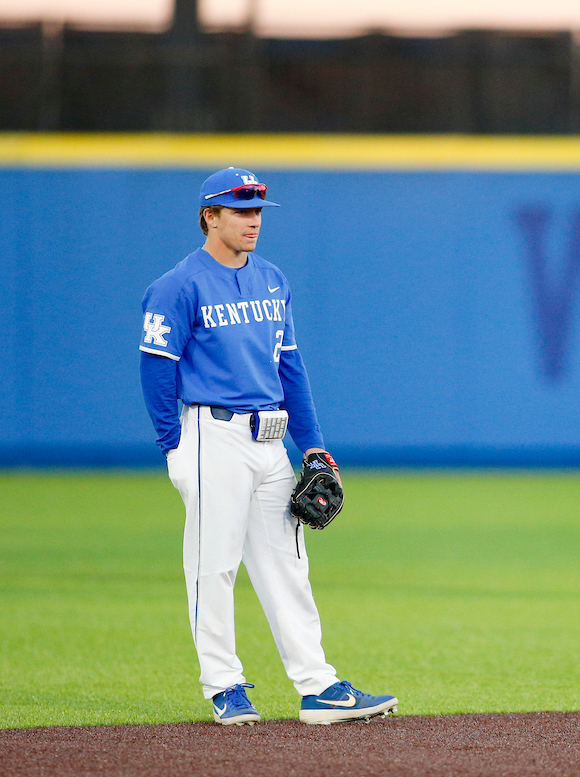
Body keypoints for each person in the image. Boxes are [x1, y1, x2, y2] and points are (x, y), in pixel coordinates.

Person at [139, 167, 398, 726]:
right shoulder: (177, 286)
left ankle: (318, 688)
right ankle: (225, 686)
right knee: (214, 566)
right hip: (212, 435)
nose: (252, 221)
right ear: (210, 216)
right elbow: (156, 368)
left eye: (257, 210)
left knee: (287, 566)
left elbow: (290, 368)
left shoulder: (274, 279)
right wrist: (173, 446)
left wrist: (315, 448)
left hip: (271, 439)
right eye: (239, 210)